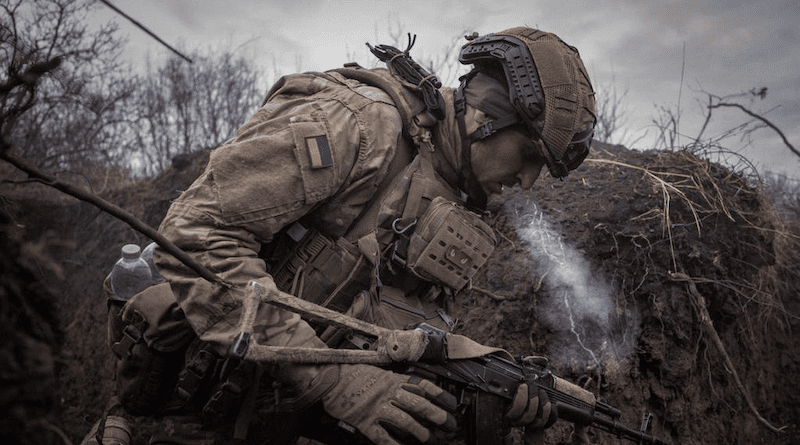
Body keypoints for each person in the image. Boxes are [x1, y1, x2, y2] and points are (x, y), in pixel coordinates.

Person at [134, 26, 595, 445]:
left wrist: (492, 387)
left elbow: (397, 334)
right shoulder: (363, 126)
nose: (528, 182)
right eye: (529, 155)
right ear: (485, 116)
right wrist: (328, 379)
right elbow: (195, 231)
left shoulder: (452, 196)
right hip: (191, 416)